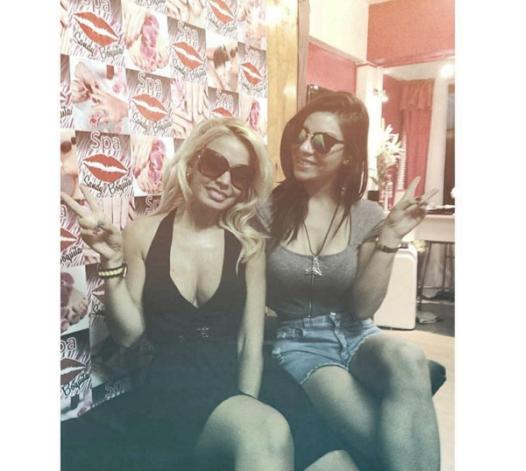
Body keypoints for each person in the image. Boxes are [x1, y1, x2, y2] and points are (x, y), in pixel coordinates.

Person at [61, 118, 293, 470]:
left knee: (271, 430)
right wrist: (111, 261)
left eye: (240, 174)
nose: (225, 180)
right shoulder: (143, 232)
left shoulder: (249, 244)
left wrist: (245, 405)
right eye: (215, 164)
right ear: (192, 162)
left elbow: (250, 341)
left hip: (229, 388)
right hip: (166, 391)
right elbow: (128, 335)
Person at [257, 91, 440, 471]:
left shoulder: (366, 215)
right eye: (301, 135)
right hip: (301, 343)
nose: (304, 148)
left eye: (322, 142)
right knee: (388, 447)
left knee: (409, 356)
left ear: (348, 155)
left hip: (358, 334)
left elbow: (363, 307)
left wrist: (390, 236)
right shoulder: (266, 212)